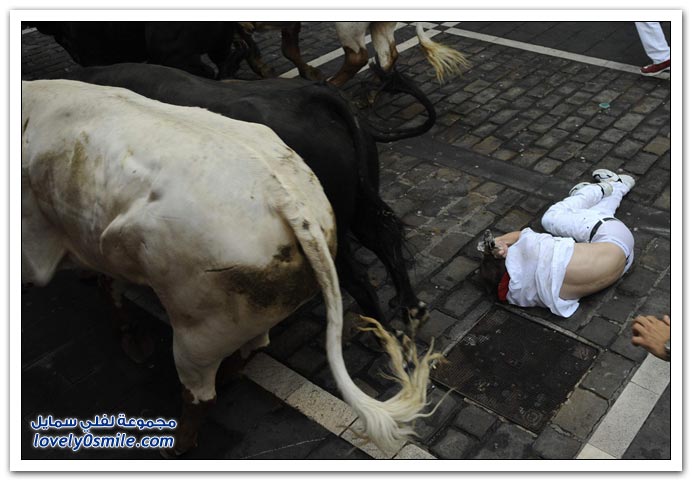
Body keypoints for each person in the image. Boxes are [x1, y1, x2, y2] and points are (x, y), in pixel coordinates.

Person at [479, 168, 635, 318]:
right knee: (551, 218)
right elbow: (521, 235)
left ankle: (619, 186)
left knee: (597, 216)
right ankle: (595, 190)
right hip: (610, 234)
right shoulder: (539, 254)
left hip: (624, 259)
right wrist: (500, 242)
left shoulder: (536, 295)